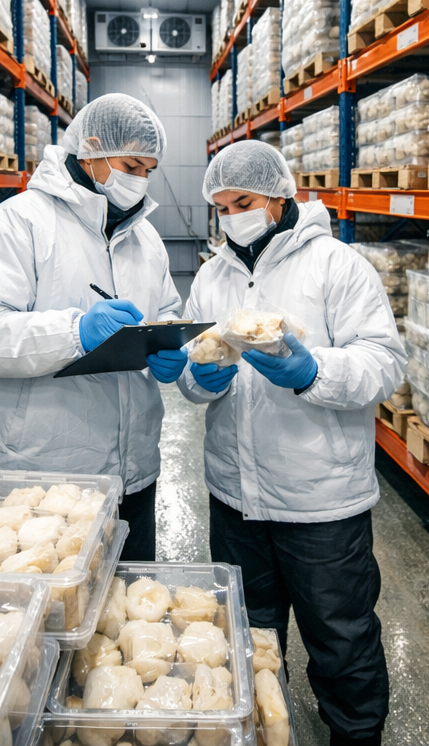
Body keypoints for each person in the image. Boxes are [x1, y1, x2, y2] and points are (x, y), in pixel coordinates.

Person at [171, 139, 406, 746]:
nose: (231, 218)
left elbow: (384, 364)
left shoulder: (336, 265)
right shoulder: (213, 274)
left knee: (342, 639)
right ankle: (259, 732)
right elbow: (195, 380)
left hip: (320, 501)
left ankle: (355, 737)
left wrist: (314, 373)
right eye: (220, 208)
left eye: (242, 202)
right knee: (248, 637)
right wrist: (202, 379)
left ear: (278, 196)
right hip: (235, 496)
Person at [0, 93, 188, 561]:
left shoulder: (146, 238)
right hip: (45, 479)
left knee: (127, 612)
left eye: (148, 171)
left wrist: (171, 346)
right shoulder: (18, 224)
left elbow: (167, 310)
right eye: (130, 165)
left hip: (134, 471)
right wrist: (74, 332)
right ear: (91, 148)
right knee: (53, 617)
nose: (139, 181)